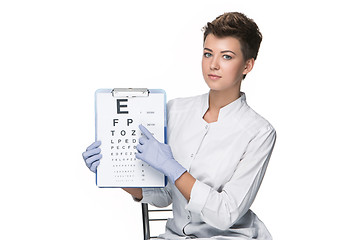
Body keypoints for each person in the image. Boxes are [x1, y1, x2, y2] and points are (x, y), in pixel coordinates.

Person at [83, 12, 277, 239]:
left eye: (226, 57)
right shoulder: (175, 111)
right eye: (208, 54)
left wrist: (172, 166)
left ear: (247, 65)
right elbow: (164, 195)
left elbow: (226, 214)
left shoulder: (259, 132)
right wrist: (112, 172)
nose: (213, 65)